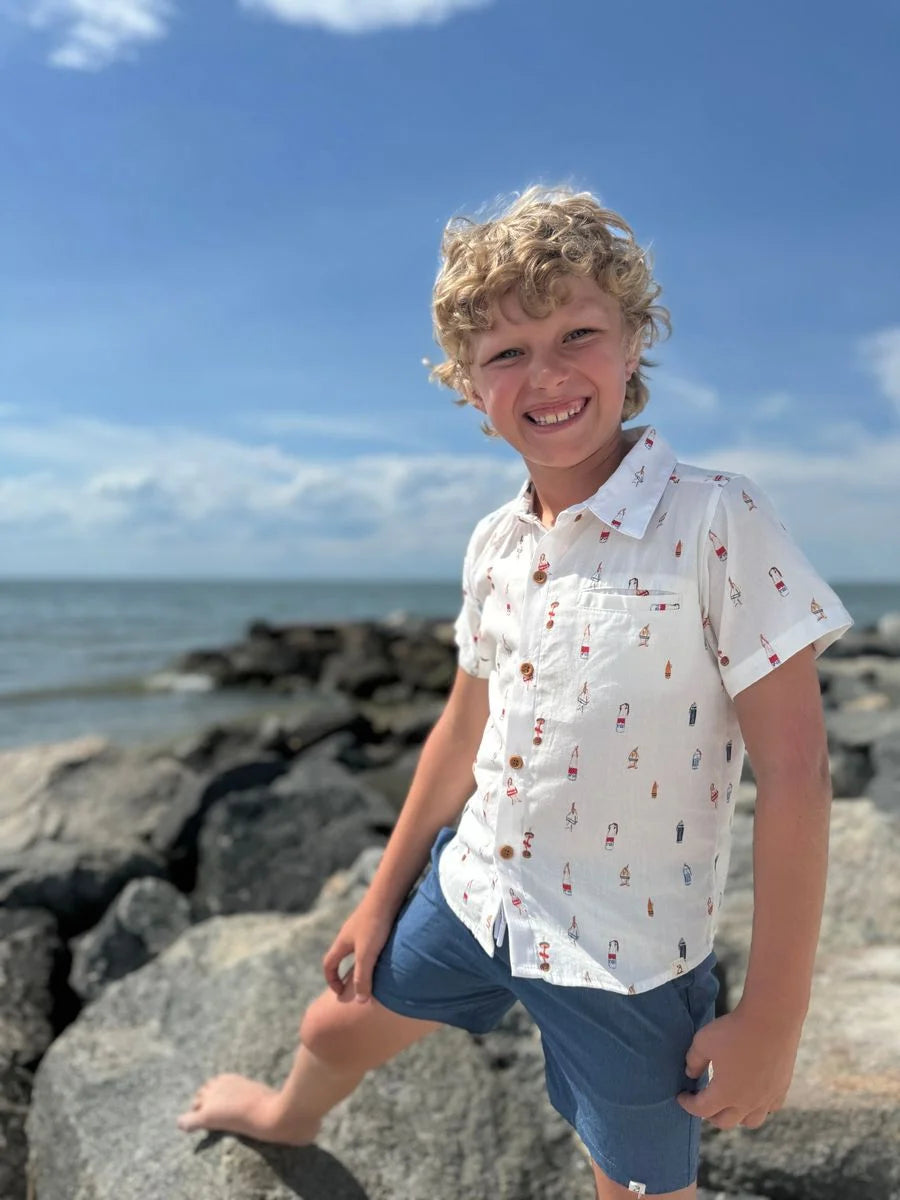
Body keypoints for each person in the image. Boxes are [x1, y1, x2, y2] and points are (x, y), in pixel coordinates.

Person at [177, 185, 852, 1199]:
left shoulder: (717, 521)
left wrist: (773, 1017)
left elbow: (796, 773)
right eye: (504, 354)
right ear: (467, 386)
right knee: (335, 1022)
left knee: (631, 1184)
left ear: (634, 344)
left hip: (627, 952)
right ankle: (286, 1114)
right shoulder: (495, 546)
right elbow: (463, 724)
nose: (546, 374)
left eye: (578, 332)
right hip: (478, 888)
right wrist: (378, 899)